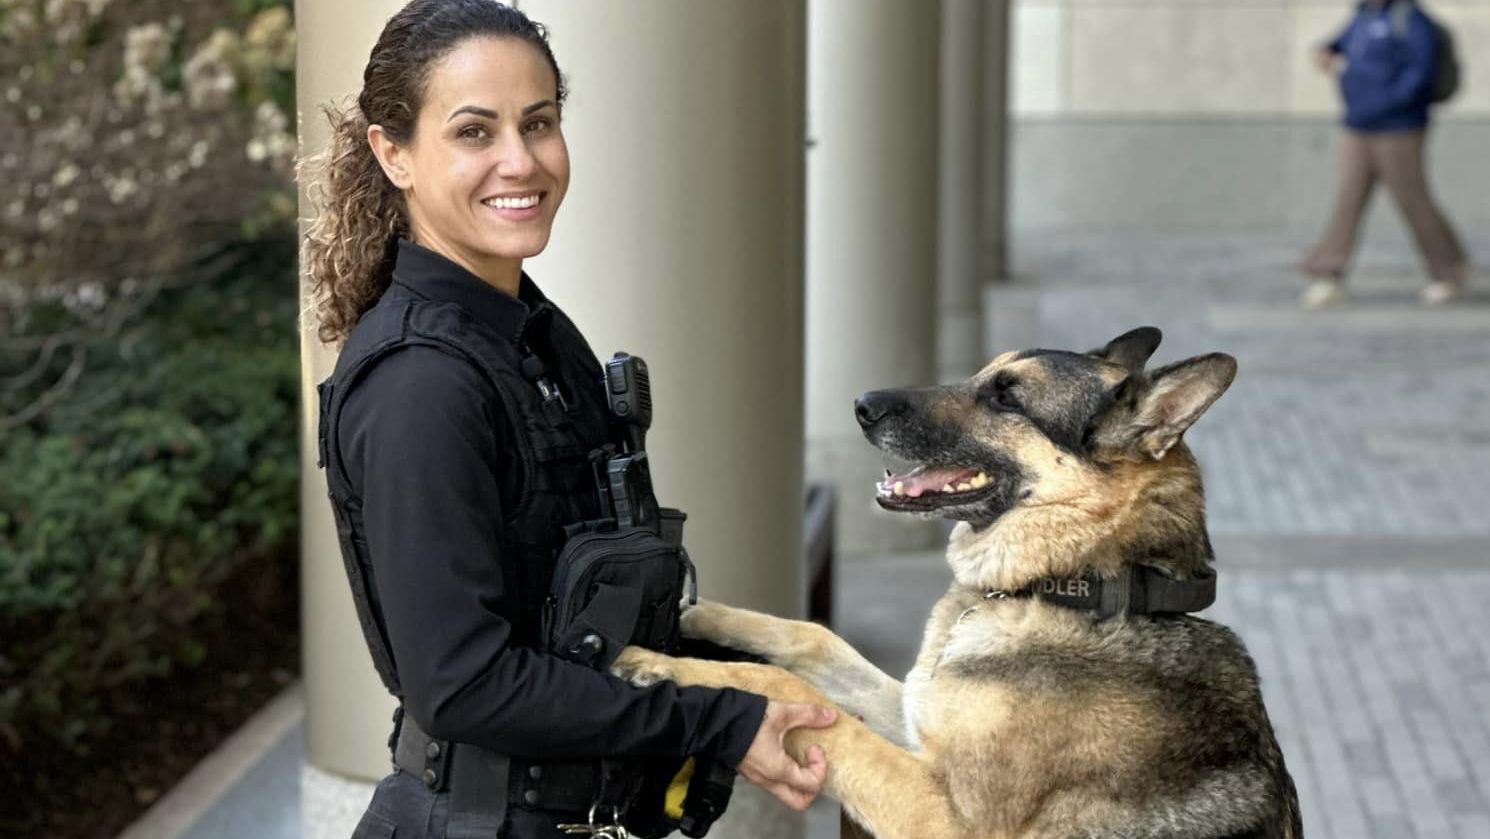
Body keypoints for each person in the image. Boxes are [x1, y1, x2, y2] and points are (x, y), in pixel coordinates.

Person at [300, 2, 836, 837]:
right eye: (475, 132)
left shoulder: (533, 334)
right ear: (392, 153)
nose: (521, 161)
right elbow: (465, 682)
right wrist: (719, 721)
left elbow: (577, 625)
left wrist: (768, 690)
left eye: (539, 123)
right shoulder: (421, 385)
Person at [1298, 0, 1470, 308]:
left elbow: (1421, 72)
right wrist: (1326, 50)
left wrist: (1388, 103)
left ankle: (1449, 271)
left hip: (1398, 128)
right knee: (1348, 197)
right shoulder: (1364, 15)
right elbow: (1338, 42)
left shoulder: (1410, 19)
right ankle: (1328, 270)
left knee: (1412, 199)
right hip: (1358, 124)